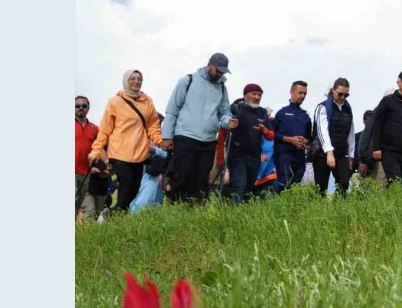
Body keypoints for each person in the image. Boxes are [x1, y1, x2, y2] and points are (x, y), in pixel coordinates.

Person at [162, 53, 237, 203]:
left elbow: (224, 113)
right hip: (185, 136)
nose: (220, 74)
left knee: (202, 178)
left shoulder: (222, 87)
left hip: (209, 139)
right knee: (183, 174)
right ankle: (174, 206)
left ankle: (196, 210)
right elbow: (172, 109)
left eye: (223, 71)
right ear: (209, 65)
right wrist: (167, 136)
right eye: (218, 70)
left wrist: (228, 121)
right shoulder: (188, 80)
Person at [89, 70, 167, 212]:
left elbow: (153, 126)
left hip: (139, 154)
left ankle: (114, 215)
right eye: (133, 78)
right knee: (126, 185)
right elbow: (105, 130)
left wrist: (161, 142)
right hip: (119, 153)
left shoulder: (147, 101)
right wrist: (95, 151)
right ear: (126, 80)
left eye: (139, 79)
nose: (136, 81)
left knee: (133, 190)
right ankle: (113, 216)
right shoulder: (115, 102)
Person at [224, 83, 274, 203]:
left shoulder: (262, 112)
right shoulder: (236, 109)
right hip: (237, 155)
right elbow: (222, 130)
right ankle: (234, 212)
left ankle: (244, 216)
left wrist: (264, 130)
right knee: (239, 186)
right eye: (254, 94)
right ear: (245, 95)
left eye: (259, 95)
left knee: (249, 188)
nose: (257, 97)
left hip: (255, 156)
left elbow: (271, 136)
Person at [311, 78, 356, 197]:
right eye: (340, 94)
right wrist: (329, 153)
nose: (343, 97)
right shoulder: (322, 107)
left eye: (346, 95)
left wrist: (351, 155)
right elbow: (322, 131)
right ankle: (319, 211)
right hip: (322, 153)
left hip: (341, 152)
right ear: (333, 91)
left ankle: (338, 208)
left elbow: (350, 132)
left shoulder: (348, 109)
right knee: (321, 187)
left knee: (344, 183)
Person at [271, 80, 312, 192]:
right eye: (300, 93)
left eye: (305, 94)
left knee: (296, 187)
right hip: (283, 155)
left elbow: (309, 137)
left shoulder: (306, 115)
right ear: (291, 92)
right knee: (283, 186)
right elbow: (270, 133)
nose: (302, 96)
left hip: (299, 157)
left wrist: (306, 142)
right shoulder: (280, 111)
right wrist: (289, 140)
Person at [74, 95, 108, 221]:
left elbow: (100, 149)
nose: (80, 108)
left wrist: (107, 163)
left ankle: (82, 237)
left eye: (83, 106)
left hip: (86, 173)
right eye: (77, 106)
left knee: (81, 207)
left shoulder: (94, 129)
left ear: (88, 108)